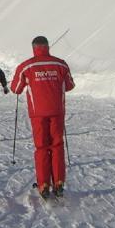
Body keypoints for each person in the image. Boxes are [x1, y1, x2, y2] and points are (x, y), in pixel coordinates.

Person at [10, 35, 75, 198]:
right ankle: (59, 181)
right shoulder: (61, 64)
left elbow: (16, 88)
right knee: (57, 145)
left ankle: (44, 183)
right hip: (57, 111)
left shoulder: (26, 66)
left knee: (41, 147)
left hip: (38, 113)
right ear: (47, 47)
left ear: (34, 48)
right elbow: (69, 85)